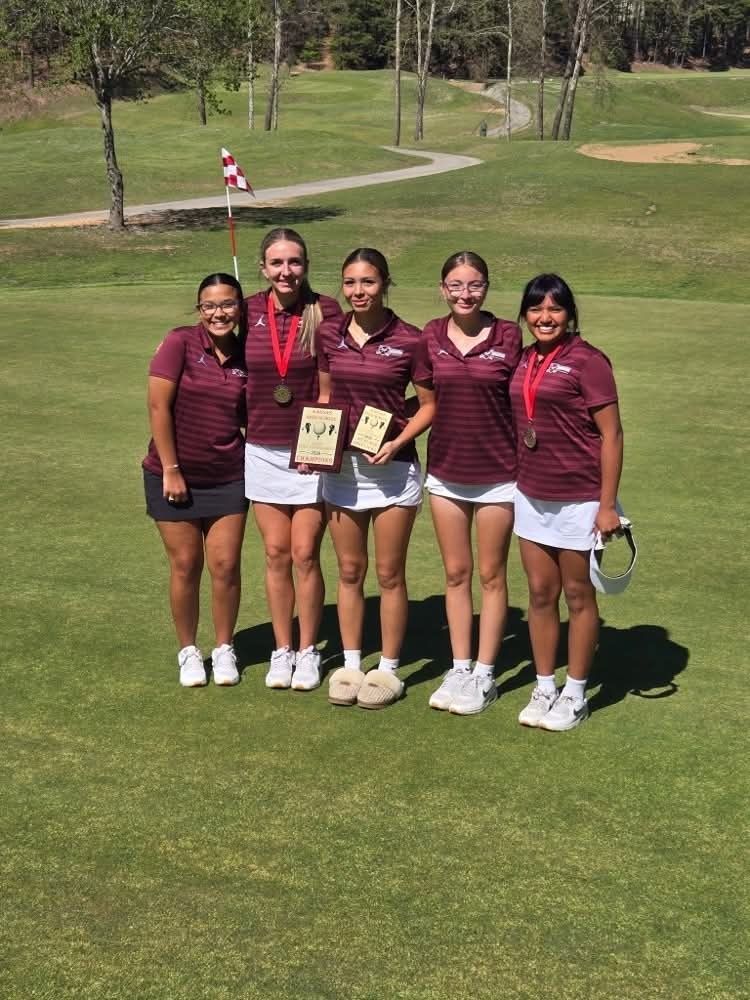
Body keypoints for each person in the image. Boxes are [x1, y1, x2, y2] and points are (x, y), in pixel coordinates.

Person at [315, 248, 435, 709]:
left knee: (388, 573)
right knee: (349, 570)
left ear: (385, 283)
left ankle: (387, 667)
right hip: (343, 469)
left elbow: (428, 404)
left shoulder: (410, 338)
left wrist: (398, 442)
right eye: (349, 283)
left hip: (391, 469)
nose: (358, 291)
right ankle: (349, 663)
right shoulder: (330, 332)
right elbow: (326, 395)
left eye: (367, 282)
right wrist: (314, 446)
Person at [510, 274, 624, 731]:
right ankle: (544, 685)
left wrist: (607, 504)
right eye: (536, 309)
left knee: (578, 595)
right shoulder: (522, 359)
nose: (545, 317)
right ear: (525, 315)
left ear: (569, 314)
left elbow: (612, 435)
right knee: (540, 594)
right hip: (531, 494)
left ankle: (575, 691)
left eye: (554, 309)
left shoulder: (588, 361)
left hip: (579, 497)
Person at [414, 251, 522, 715]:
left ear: (486, 287)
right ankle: (459, 666)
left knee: (491, 575)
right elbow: (424, 402)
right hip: (446, 472)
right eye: (456, 285)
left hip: (499, 473)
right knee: (455, 575)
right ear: (443, 289)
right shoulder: (431, 336)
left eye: (474, 285)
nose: (465, 294)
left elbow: (527, 399)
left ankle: (485, 673)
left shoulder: (509, 336)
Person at [243, 228, 343, 692]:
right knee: (276, 553)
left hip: (309, 451)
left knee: (305, 552)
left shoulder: (326, 311)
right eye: (277, 263)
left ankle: (308, 651)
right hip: (261, 450)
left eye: (295, 262)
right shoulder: (246, 313)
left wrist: (316, 450)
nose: (287, 271)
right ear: (263, 267)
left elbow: (329, 388)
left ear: (306, 265)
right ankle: (281, 649)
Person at [143, 273, 249, 687]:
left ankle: (224, 649)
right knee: (186, 565)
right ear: (199, 309)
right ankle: (189, 650)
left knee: (225, 566)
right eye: (210, 305)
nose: (219, 313)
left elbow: (248, 416)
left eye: (227, 304)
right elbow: (157, 407)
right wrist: (172, 468)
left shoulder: (246, 354)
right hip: (173, 476)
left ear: (240, 308)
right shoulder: (180, 342)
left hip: (229, 477)